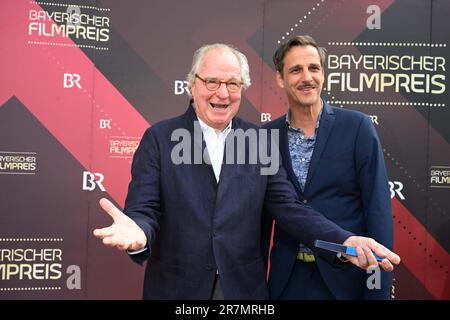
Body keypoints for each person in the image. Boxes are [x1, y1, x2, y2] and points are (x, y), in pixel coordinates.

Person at [93, 43, 400, 300]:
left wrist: (345, 241)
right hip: (175, 290)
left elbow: (291, 209)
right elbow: (144, 210)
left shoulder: (257, 142)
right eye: (212, 82)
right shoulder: (160, 139)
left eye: (232, 84)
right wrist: (139, 235)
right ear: (193, 84)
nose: (222, 94)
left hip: (243, 292)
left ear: (243, 89)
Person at [262, 35, 394, 299]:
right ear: (280, 78)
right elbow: (259, 222)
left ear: (323, 74)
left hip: (345, 280)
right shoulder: (265, 136)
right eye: (296, 70)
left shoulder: (357, 127)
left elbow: (378, 210)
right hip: (286, 280)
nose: (306, 77)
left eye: (314, 68)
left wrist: (378, 291)